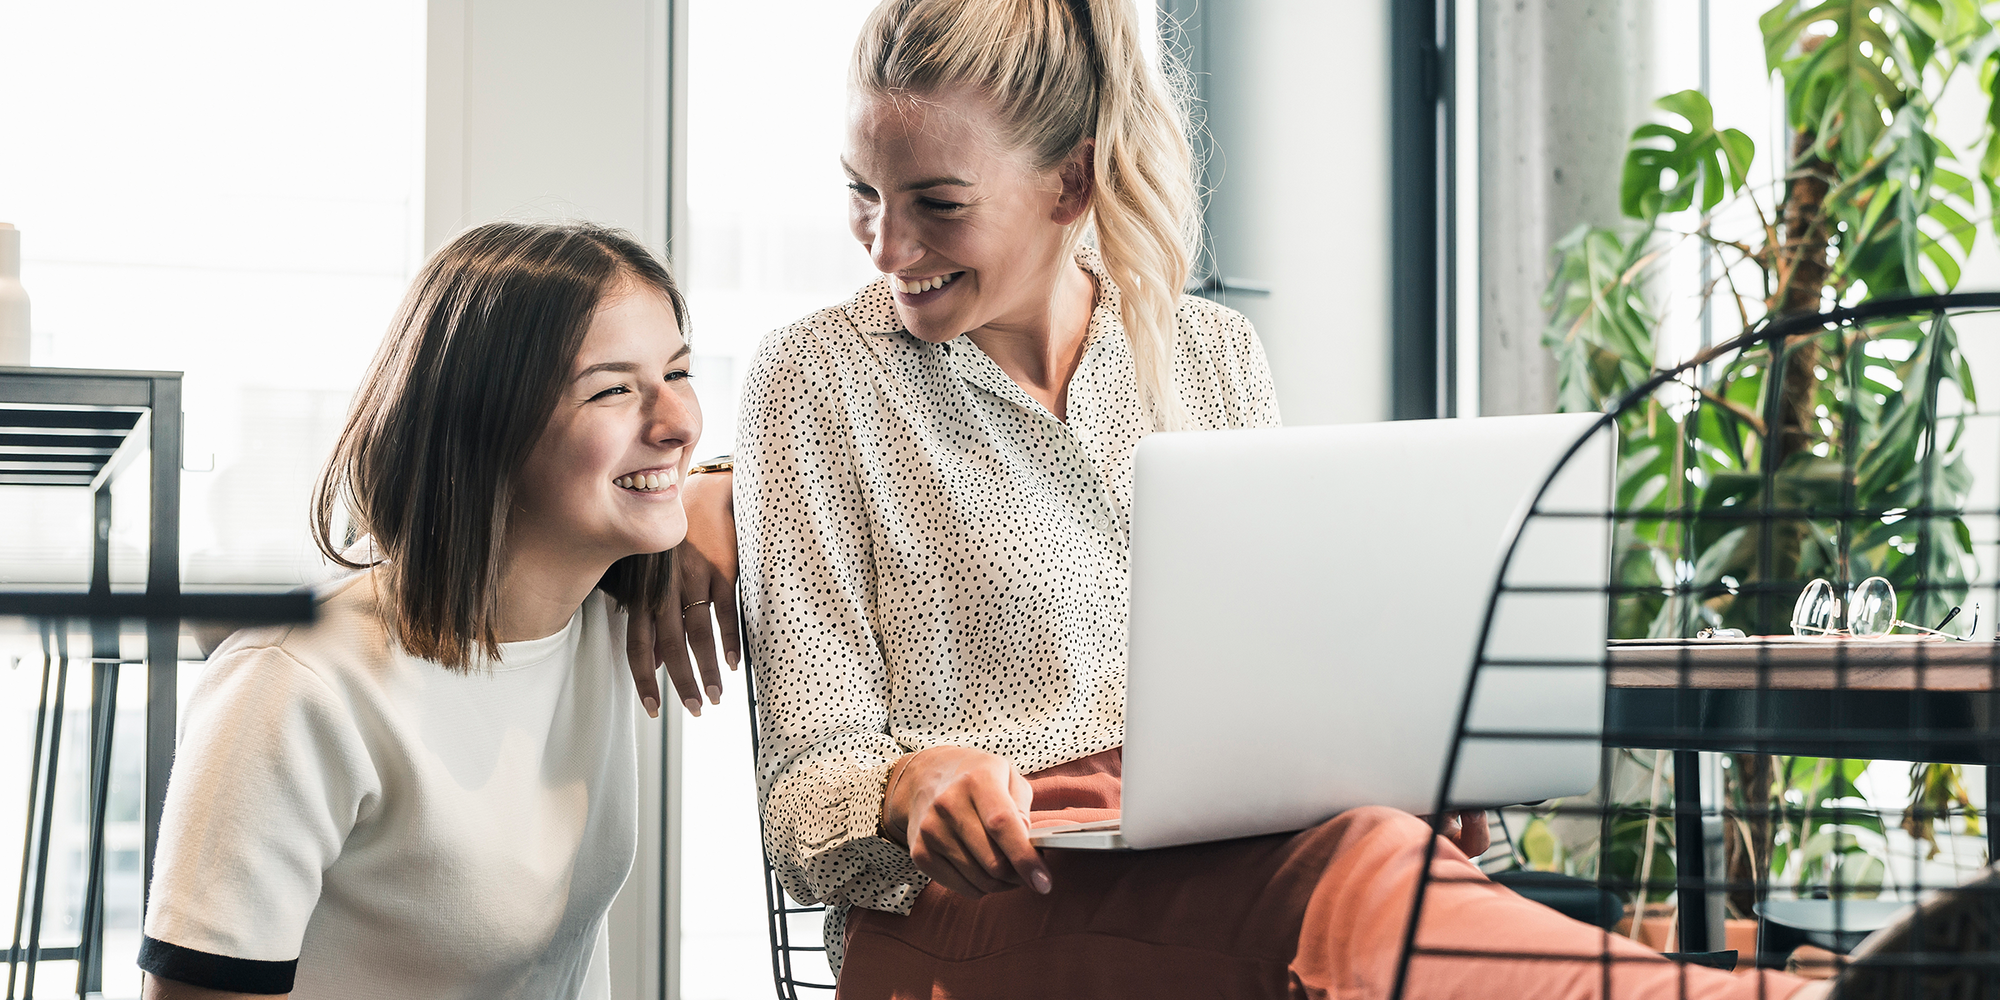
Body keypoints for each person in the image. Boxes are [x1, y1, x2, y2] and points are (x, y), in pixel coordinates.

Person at [674, 0, 1900, 997]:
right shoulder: (815, 380)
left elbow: (1277, 692)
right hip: (976, 911)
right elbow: (804, 793)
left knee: (1382, 849)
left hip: (1229, 856)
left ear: (1068, 184)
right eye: (859, 193)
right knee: (1364, 878)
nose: (884, 248)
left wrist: (1380, 768)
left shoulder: (1206, 354)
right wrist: (910, 785)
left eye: (935, 203)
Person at [139, 221, 701, 1000]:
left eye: (678, 372)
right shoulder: (295, 688)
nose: (677, 422)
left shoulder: (609, 611)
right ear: (484, 426)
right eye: (613, 389)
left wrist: (719, 490)